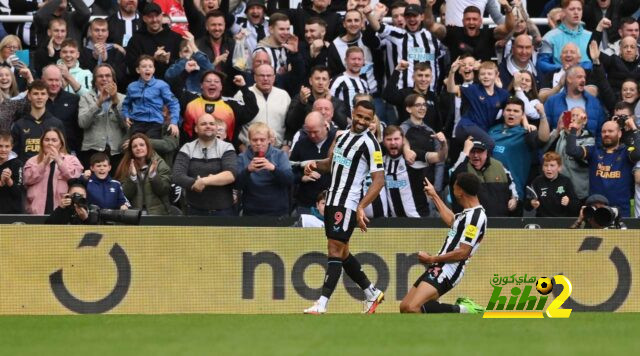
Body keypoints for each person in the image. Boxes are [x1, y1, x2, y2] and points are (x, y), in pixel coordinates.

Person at [302, 100, 385, 315]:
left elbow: (379, 180)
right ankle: (371, 292)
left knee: (334, 249)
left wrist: (361, 206)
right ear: (352, 113)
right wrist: (314, 164)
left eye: (367, 119)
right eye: (359, 116)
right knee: (343, 252)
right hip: (332, 199)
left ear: (372, 121)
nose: (362, 121)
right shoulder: (341, 137)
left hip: (347, 202)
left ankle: (322, 303)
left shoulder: (371, 144)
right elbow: (331, 163)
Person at [399, 173, 486, 314]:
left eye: (454, 186)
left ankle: (464, 309)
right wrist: (434, 195)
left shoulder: (477, 217)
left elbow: (463, 252)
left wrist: (431, 258)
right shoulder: (467, 213)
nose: (453, 189)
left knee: (413, 308)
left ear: (460, 191)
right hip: (439, 265)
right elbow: (452, 221)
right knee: (405, 307)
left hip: (450, 269)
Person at [566, 118, 640, 217]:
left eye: (610, 131)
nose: (606, 134)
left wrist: (634, 129)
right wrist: (574, 129)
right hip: (596, 210)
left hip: (621, 211)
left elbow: (638, 153)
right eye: (603, 131)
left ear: (619, 134)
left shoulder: (626, 152)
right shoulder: (594, 151)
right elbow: (572, 151)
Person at [489, 97, 550, 211]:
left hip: (512, 193)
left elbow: (543, 138)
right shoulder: (492, 130)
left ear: (523, 116)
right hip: (489, 187)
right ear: (503, 113)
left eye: (516, 111)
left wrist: (542, 115)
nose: (511, 113)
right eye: (508, 110)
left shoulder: (526, 134)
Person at [172, 113, 237, 216]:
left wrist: (204, 181)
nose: (208, 126)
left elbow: (231, 174)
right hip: (194, 210)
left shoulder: (227, 147)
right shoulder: (187, 147)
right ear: (196, 129)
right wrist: (194, 183)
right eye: (203, 124)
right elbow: (177, 175)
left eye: (212, 124)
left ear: (216, 128)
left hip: (223, 211)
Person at [446, 59, 510, 152]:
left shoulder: (502, 93)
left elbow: (517, 105)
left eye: (489, 74)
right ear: (479, 76)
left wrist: (525, 123)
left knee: (478, 152)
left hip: (482, 131)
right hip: (466, 126)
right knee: (490, 144)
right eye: (483, 74)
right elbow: (451, 89)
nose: (486, 77)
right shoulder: (473, 89)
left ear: (496, 75)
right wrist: (452, 72)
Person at [399, 93, 448, 213]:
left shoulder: (430, 131)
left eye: (424, 105)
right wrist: (406, 149)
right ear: (408, 108)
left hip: (427, 185)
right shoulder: (402, 129)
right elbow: (399, 139)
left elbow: (441, 159)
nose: (422, 108)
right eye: (418, 105)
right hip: (407, 184)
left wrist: (436, 188)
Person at [182, 70, 258, 146]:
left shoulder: (231, 105)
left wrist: (243, 87)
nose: (212, 83)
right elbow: (174, 91)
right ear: (201, 85)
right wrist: (185, 72)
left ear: (221, 86)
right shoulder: (189, 99)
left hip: (223, 154)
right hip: (192, 153)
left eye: (216, 81)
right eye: (208, 81)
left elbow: (252, 110)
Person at [450, 138, 518, 217]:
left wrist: (514, 199)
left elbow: (512, 185)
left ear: (486, 153)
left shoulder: (499, 166)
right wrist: (465, 153)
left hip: (499, 222)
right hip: (472, 222)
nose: (475, 155)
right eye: (472, 151)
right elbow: (454, 176)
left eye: (479, 152)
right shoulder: (462, 167)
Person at [236, 122, 293, 216]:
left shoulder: (280, 155)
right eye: (255, 140)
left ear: (269, 140)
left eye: (262, 140)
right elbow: (237, 185)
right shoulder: (242, 157)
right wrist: (248, 170)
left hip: (278, 211)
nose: (258, 143)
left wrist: (273, 169)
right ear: (249, 140)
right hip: (251, 212)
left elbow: (289, 180)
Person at [78, 64, 127, 171]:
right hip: (92, 151)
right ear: (95, 81)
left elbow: (126, 125)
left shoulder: (123, 98)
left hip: (117, 152)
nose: (104, 79)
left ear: (113, 79)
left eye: (108, 76)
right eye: (100, 76)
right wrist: (99, 102)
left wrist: (115, 101)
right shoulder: (86, 97)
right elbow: (82, 123)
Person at [23, 128, 83, 215]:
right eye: (46, 140)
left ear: (61, 144)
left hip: (63, 211)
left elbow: (74, 179)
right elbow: (27, 179)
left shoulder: (72, 160)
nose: (50, 143)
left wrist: (59, 161)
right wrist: (43, 163)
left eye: (54, 140)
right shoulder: (32, 161)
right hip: (36, 212)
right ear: (42, 143)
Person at [542, 106, 595, 202]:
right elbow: (543, 149)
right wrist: (557, 130)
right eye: (572, 115)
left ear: (584, 120)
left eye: (577, 116)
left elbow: (573, 151)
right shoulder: (561, 134)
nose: (573, 118)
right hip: (559, 188)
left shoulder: (589, 139)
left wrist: (573, 130)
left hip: (579, 191)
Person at [285, 65, 349, 144]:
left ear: (329, 82)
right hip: (303, 141)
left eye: (324, 79)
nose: (320, 82)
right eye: (317, 79)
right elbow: (291, 123)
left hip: (330, 142)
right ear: (310, 81)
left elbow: (343, 125)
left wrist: (328, 104)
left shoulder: (337, 102)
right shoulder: (300, 98)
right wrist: (301, 104)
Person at [544, 64, 606, 144]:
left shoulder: (594, 102)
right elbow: (544, 134)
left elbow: (600, 133)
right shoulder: (552, 101)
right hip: (559, 151)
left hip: (587, 153)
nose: (583, 80)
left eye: (584, 77)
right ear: (569, 79)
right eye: (579, 77)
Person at [122, 55, 180, 139]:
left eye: (150, 66)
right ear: (138, 70)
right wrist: (126, 115)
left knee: (150, 145)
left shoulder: (161, 85)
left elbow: (173, 103)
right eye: (144, 66)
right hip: (137, 123)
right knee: (136, 145)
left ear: (154, 70)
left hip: (155, 123)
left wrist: (173, 122)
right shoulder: (132, 87)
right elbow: (126, 104)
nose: (147, 69)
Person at [235, 63, 291, 150]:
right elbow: (234, 123)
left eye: (269, 75)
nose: (265, 79)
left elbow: (290, 124)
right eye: (261, 75)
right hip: (250, 150)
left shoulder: (283, 95)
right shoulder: (242, 94)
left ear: (274, 77)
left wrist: (286, 145)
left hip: (277, 150)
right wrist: (240, 146)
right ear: (254, 77)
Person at [290, 111, 336, 214]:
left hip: (333, 203)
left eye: (316, 131)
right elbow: (290, 172)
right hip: (306, 204)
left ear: (325, 125)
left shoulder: (338, 142)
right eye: (309, 132)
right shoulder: (300, 145)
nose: (312, 135)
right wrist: (302, 177)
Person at [115, 133, 172, 215]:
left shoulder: (159, 163)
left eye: (142, 145)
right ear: (131, 150)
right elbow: (124, 196)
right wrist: (132, 177)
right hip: (134, 215)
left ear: (148, 147)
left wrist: (153, 175)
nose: (138, 148)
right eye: (134, 146)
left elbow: (164, 190)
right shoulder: (126, 166)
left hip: (158, 214)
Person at [125, 2, 182, 80]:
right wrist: (153, 59)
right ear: (144, 19)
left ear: (162, 16)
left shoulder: (176, 38)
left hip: (171, 85)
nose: (154, 20)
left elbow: (183, 64)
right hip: (144, 86)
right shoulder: (136, 39)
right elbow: (131, 67)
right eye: (150, 17)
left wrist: (167, 60)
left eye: (157, 16)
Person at [11, 80, 65, 163]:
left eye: (43, 94)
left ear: (47, 96)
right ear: (29, 96)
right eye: (35, 93)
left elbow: (63, 152)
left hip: (50, 172)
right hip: (26, 172)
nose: (39, 97)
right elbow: (13, 154)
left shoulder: (57, 124)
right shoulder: (19, 125)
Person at [538, 0, 593, 75]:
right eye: (572, 9)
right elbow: (542, 64)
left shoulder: (591, 36)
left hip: (587, 82)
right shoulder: (549, 37)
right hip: (559, 82)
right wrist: (561, 68)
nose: (576, 12)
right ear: (563, 12)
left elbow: (598, 63)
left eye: (579, 9)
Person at [79, 18, 128, 93]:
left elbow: (120, 78)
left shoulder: (116, 52)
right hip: (90, 95)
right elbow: (84, 78)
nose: (100, 34)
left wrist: (106, 61)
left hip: (113, 94)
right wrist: (94, 59)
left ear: (107, 33)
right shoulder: (83, 53)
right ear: (91, 32)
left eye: (103, 30)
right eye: (96, 30)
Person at [41, 64, 82, 154]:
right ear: (43, 80)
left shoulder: (73, 99)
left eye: (57, 80)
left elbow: (79, 130)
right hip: (41, 152)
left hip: (68, 153)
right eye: (50, 80)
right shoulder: (37, 101)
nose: (54, 84)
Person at [526, 151, 579, 217]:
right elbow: (527, 206)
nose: (548, 169)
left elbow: (576, 205)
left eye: (552, 165)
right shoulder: (537, 181)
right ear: (542, 167)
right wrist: (531, 203)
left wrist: (569, 202)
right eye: (546, 165)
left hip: (561, 221)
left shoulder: (566, 181)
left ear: (559, 168)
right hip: (542, 220)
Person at [165, 31, 213, 96]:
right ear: (180, 54)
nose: (190, 54)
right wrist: (186, 59)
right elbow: (169, 76)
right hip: (180, 101)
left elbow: (211, 69)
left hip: (198, 101)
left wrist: (194, 47)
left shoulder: (201, 66)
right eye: (186, 51)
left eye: (192, 52)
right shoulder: (175, 66)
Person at [330, 47, 370, 117]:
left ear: (363, 61)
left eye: (359, 59)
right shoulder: (338, 80)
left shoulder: (364, 83)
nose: (356, 62)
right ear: (346, 60)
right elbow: (330, 103)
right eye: (353, 59)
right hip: (344, 125)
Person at [0, 131, 24, 214]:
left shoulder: (17, 164)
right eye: (0, 146)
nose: (3, 149)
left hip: (13, 212)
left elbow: (19, 193)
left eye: (7, 146)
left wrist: (9, 180)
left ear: (11, 147)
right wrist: (2, 182)